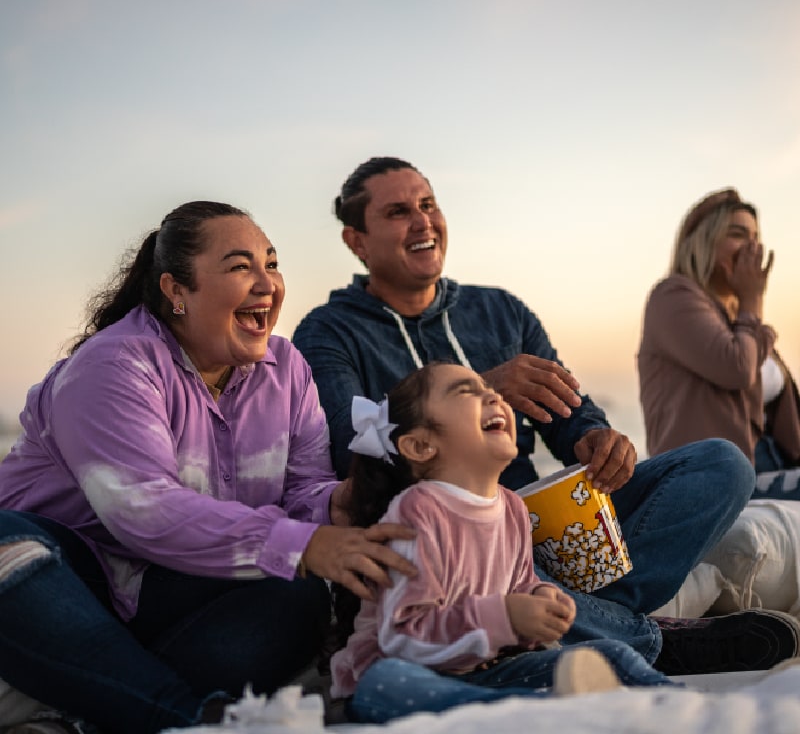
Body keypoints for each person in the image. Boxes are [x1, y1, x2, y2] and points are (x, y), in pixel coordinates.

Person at [293, 156, 800, 676]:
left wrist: (599, 439)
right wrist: (484, 387)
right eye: (399, 212)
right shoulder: (327, 331)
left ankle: (595, 620)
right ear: (357, 241)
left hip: (533, 527)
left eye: (429, 205)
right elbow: (349, 450)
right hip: (447, 544)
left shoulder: (501, 311)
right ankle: (647, 640)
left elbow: (570, 414)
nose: (422, 221)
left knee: (722, 464)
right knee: (486, 564)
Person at [0, 201, 416, 734]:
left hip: (167, 600)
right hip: (66, 586)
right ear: (177, 291)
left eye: (271, 263)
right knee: (6, 541)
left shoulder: (286, 369)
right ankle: (181, 719)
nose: (267, 284)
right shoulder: (114, 365)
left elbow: (303, 491)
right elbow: (144, 511)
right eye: (241, 267)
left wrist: (348, 502)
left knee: (294, 592)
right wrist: (304, 545)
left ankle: (95, 711)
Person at [330, 362, 675, 723]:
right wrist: (505, 615)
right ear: (420, 445)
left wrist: (541, 598)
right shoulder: (418, 511)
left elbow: (520, 581)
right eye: (467, 392)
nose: (492, 396)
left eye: (488, 389)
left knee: (610, 654)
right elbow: (403, 638)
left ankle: (680, 709)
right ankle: (533, 711)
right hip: (398, 678)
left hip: (480, 674)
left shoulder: (511, 507)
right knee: (387, 681)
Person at [638, 188, 800, 499]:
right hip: (716, 477)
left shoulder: (735, 317)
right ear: (703, 240)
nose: (751, 246)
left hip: (770, 464)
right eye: (738, 234)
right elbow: (736, 368)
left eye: (755, 237)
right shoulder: (673, 297)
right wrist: (752, 302)